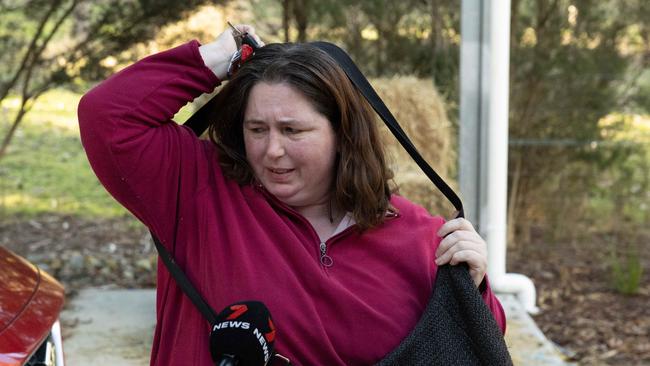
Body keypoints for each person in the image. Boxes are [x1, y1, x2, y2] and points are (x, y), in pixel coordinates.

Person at [78, 24, 506, 365]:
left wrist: (472, 285)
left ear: (342, 134)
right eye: (257, 129)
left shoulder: (420, 238)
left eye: (293, 130)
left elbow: (477, 345)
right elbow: (107, 116)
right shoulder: (197, 189)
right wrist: (215, 59)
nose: (272, 150)